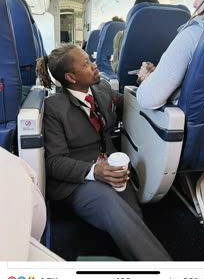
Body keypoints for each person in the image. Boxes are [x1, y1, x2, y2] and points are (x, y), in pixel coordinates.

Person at [36, 45, 171, 261]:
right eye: (86, 64)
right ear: (71, 77)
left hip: (111, 169)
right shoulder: (54, 108)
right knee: (113, 207)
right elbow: (54, 163)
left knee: (132, 215)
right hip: (78, 181)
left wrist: (148, 84)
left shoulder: (102, 89)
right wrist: (94, 171)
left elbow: (131, 103)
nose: (94, 65)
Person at [111, 0, 159, 72]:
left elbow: (116, 68)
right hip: (161, 78)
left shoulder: (121, 35)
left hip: (129, 81)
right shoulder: (167, 34)